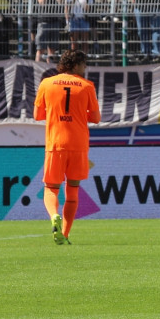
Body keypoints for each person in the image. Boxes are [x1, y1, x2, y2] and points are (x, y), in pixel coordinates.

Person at [33, 50, 101, 245]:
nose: (85, 68)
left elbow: (37, 115)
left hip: (56, 143)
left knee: (51, 188)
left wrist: (56, 112)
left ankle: (54, 215)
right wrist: (78, 114)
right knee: (72, 191)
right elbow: (96, 118)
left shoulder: (47, 83)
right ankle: (65, 233)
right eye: (84, 64)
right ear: (75, 65)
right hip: (78, 144)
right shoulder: (87, 86)